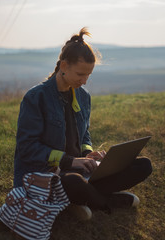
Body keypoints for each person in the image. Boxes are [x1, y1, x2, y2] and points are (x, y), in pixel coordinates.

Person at [13, 27, 152, 220]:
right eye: (80, 74)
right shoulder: (36, 97)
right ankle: (106, 201)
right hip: (48, 176)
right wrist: (69, 161)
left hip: (79, 171)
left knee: (143, 165)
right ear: (63, 66)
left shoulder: (83, 96)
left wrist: (88, 154)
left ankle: (85, 197)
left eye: (88, 75)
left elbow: (84, 134)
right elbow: (27, 148)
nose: (85, 81)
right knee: (74, 182)